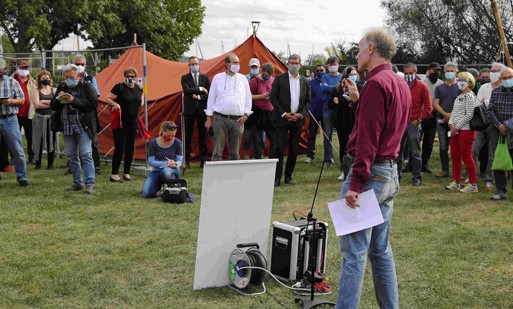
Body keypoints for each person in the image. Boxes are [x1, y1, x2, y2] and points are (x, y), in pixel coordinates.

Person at [336, 28, 411, 309]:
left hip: (371, 175)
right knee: (380, 251)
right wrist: (359, 101)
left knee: (354, 252)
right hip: (389, 173)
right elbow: (385, 126)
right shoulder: (398, 82)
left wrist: (355, 185)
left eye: (358, 48)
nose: (356, 54)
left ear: (371, 48)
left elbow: (368, 140)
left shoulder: (376, 84)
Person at [51, 64, 98, 194]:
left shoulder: (87, 87)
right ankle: (77, 183)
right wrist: (58, 98)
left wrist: (74, 100)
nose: (68, 79)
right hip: (67, 127)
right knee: (71, 155)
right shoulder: (62, 86)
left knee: (86, 154)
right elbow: (53, 107)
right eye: (66, 77)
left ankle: (90, 183)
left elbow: (93, 104)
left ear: (77, 76)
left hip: (83, 126)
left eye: (70, 77)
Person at [270, 54, 311, 187]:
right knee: (279, 149)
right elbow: (273, 98)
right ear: (287, 64)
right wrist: (283, 114)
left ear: (300, 65)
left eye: (296, 63)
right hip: (282, 120)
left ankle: (289, 176)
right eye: (291, 63)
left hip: (297, 120)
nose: (294, 65)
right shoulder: (279, 78)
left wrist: (300, 115)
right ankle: (277, 177)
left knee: (294, 149)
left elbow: (308, 101)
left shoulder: (305, 81)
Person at [205, 53, 252, 161]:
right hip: (220, 118)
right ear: (227, 64)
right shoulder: (217, 78)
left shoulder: (243, 79)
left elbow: (248, 99)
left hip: (238, 120)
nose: (238, 64)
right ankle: (216, 176)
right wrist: (208, 117)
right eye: (235, 62)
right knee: (217, 152)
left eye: (238, 62)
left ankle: (234, 177)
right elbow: (211, 98)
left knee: (234, 153)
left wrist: (246, 115)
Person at [105, 67, 143, 182]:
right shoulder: (119, 87)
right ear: (124, 77)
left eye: (132, 76)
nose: (130, 78)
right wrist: (115, 104)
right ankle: (114, 173)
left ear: (135, 78)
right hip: (120, 122)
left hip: (133, 122)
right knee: (120, 148)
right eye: (128, 76)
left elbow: (140, 101)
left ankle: (126, 172)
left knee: (130, 148)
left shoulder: (138, 88)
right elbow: (108, 98)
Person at [397, 63, 433, 186]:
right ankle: (397, 176)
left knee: (415, 152)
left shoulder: (422, 87)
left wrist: (419, 120)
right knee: (397, 152)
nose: (408, 76)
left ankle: (416, 177)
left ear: (415, 73)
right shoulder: (400, 85)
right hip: (400, 123)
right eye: (406, 73)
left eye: (410, 73)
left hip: (414, 123)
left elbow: (428, 107)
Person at [445, 72, 479, 193]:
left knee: (467, 156)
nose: (460, 82)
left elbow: (469, 114)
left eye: (462, 80)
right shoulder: (459, 96)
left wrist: (456, 127)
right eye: (458, 80)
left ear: (469, 82)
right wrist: (451, 125)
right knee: (455, 156)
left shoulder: (471, 96)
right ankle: (456, 181)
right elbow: (454, 113)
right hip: (456, 130)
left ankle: (473, 183)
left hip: (466, 130)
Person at [473, 62, 504, 190]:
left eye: (495, 71)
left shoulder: (504, 89)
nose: (492, 73)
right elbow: (477, 103)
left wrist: (487, 103)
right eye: (492, 71)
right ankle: (472, 175)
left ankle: (489, 178)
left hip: (495, 125)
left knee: (492, 153)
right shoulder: (484, 87)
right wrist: (485, 103)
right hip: (481, 124)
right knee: (473, 149)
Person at [0, 58, 28, 186]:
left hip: (9, 118)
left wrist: (10, 101)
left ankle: (21, 176)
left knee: (17, 148)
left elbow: (21, 100)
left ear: (5, 69)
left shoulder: (12, 82)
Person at [486, 66, 513, 200]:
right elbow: (489, 111)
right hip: (497, 131)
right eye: (504, 78)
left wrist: (506, 125)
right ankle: (501, 191)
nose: (507, 80)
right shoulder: (495, 92)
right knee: (498, 159)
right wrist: (498, 125)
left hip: (511, 130)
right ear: (500, 79)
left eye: (510, 77)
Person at [329, 66, 359, 180]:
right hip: (342, 121)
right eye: (351, 74)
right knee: (344, 146)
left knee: (356, 146)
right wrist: (336, 101)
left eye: (355, 74)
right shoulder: (337, 89)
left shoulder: (360, 87)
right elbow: (330, 105)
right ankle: (344, 169)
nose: (353, 76)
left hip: (355, 121)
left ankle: (355, 169)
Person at [74, 54, 102, 175]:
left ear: (85, 65)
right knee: (75, 142)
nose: (79, 66)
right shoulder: (70, 78)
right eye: (77, 64)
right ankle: (75, 166)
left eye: (82, 64)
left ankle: (96, 166)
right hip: (75, 115)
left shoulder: (91, 79)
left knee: (93, 140)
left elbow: (95, 97)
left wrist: (80, 101)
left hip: (89, 115)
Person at [181, 56, 210, 168]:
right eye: (192, 64)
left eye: (196, 64)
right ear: (189, 66)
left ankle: (203, 161)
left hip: (202, 111)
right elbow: (187, 90)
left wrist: (198, 97)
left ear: (199, 65)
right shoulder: (184, 78)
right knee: (187, 137)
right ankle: (186, 161)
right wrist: (201, 89)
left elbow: (209, 94)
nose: (194, 66)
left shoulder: (205, 78)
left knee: (203, 137)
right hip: (189, 111)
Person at [433, 62, 460, 178]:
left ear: (456, 72)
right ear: (444, 73)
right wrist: (445, 114)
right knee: (443, 146)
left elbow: (462, 103)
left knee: (456, 147)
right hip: (441, 121)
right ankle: (445, 170)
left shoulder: (460, 86)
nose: (449, 73)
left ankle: (456, 170)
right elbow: (436, 103)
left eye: (451, 71)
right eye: (447, 71)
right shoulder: (439, 88)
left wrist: (452, 116)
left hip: (456, 121)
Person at [142, 121, 183, 198]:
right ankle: (159, 187)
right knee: (147, 193)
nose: (171, 138)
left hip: (172, 170)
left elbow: (180, 160)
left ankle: (172, 186)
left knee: (166, 172)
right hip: (156, 171)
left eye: (173, 135)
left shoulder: (177, 142)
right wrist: (166, 164)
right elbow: (151, 161)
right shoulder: (153, 143)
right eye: (168, 135)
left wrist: (175, 163)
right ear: (163, 131)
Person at [248, 62, 276, 159]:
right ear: (262, 72)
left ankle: (272, 159)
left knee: (273, 138)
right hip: (258, 112)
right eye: (265, 75)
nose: (267, 78)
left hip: (270, 112)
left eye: (269, 76)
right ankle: (258, 159)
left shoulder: (274, 81)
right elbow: (247, 97)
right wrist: (261, 96)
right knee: (258, 140)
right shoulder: (254, 81)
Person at [31, 70, 57, 170]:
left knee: (51, 140)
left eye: (47, 78)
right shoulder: (36, 90)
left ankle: (50, 163)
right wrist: (51, 103)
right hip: (39, 118)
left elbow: (57, 104)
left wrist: (44, 101)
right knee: (38, 140)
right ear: (39, 80)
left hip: (51, 119)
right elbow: (36, 104)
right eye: (43, 78)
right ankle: (38, 163)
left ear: (50, 79)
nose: (45, 80)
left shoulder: (54, 90)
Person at [421, 62, 444, 173]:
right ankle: (412, 163)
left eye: (439, 71)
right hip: (421, 114)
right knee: (416, 140)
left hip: (434, 115)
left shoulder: (441, 84)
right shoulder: (422, 83)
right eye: (435, 70)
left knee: (429, 142)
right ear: (429, 71)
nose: (437, 73)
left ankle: (424, 164)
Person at [12, 59, 36, 164]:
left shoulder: (33, 82)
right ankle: (14, 156)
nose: (24, 70)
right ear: (17, 68)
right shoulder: (11, 80)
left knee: (30, 136)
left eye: (26, 68)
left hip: (29, 114)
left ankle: (32, 156)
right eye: (22, 68)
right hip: (14, 113)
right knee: (14, 137)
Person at [320, 56, 343, 167]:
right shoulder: (324, 77)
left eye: (334, 64)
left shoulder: (342, 76)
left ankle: (344, 157)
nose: (332, 66)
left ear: (338, 64)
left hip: (340, 109)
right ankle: (328, 158)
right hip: (327, 109)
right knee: (327, 134)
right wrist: (336, 87)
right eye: (330, 64)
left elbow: (343, 88)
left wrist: (331, 87)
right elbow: (323, 88)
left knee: (342, 134)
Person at [304, 64, 326, 163]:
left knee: (327, 135)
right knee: (312, 134)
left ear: (325, 70)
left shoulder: (328, 81)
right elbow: (307, 97)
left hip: (326, 113)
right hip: (314, 112)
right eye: (317, 70)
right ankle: (310, 155)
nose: (319, 72)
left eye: (321, 70)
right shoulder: (311, 83)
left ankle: (328, 156)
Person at [243, 58, 261, 159]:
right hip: (246, 110)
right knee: (247, 136)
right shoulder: (244, 78)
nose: (254, 68)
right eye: (252, 67)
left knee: (260, 137)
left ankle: (259, 156)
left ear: (259, 67)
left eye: (256, 67)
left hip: (260, 111)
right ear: (249, 67)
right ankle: (246, 156)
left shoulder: (263, 78)